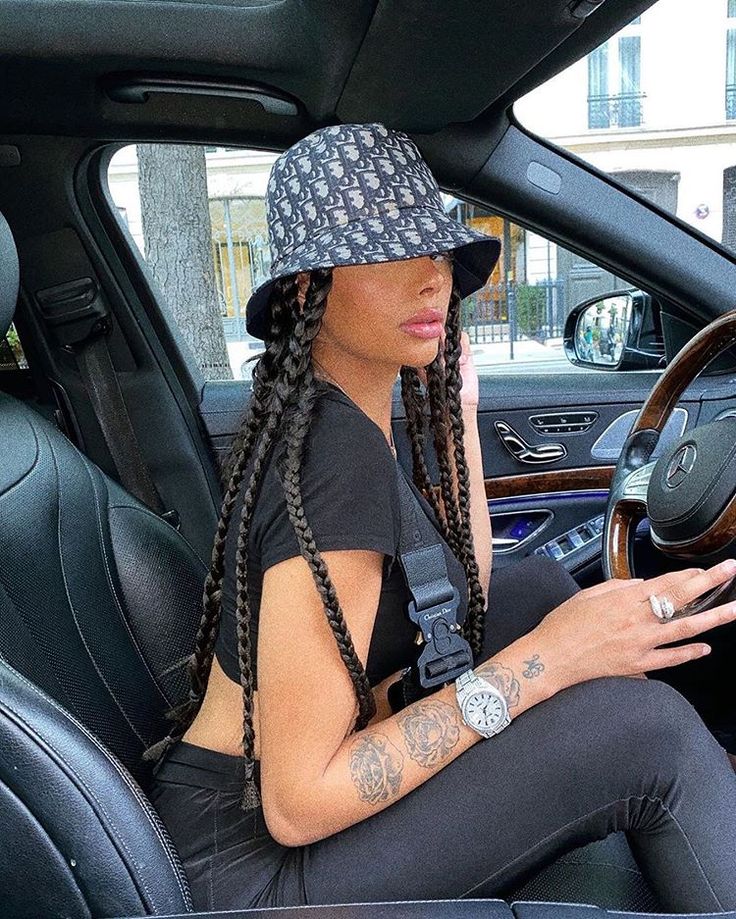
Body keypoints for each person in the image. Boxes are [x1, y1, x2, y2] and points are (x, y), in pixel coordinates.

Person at [146, 122, 736, 914]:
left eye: (437, 250)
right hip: (248, 867)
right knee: (649, 730)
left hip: (249, 814)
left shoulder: (347, 413)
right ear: (302, 288)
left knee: (539, 589)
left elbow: (464, 601)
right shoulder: (333, 463)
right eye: (392, 251)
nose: (434, 277)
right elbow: (297, 802)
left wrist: (458, 418)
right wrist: (546, 664)